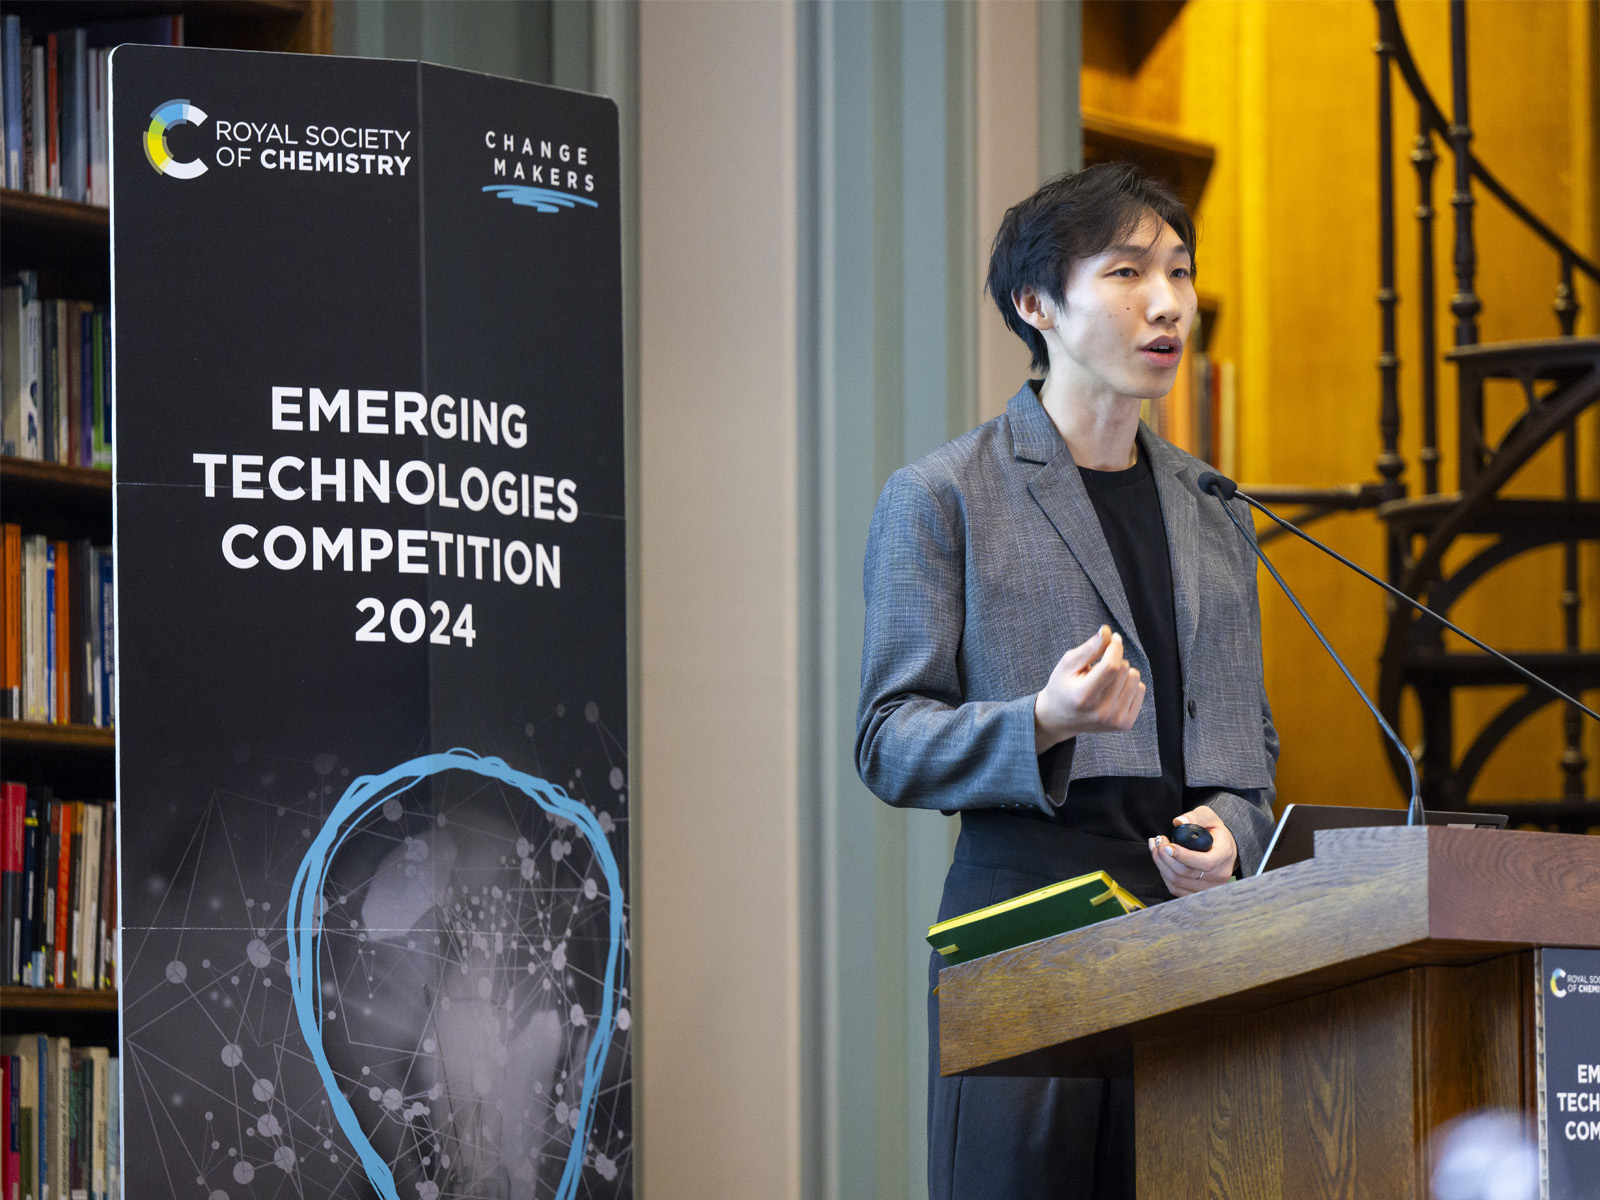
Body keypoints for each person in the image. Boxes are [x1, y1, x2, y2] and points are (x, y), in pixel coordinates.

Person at [855, 162, 1278, 1200]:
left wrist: (1232, 831)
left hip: (1193, 941)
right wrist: (1039, 720)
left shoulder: (1215, 507)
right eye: (1127, 272)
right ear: (1035, 305)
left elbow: (1251, 745)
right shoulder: (942, 496)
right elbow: (887, 739)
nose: (1168, 303)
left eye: (1179, 272)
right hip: (1026, 934)